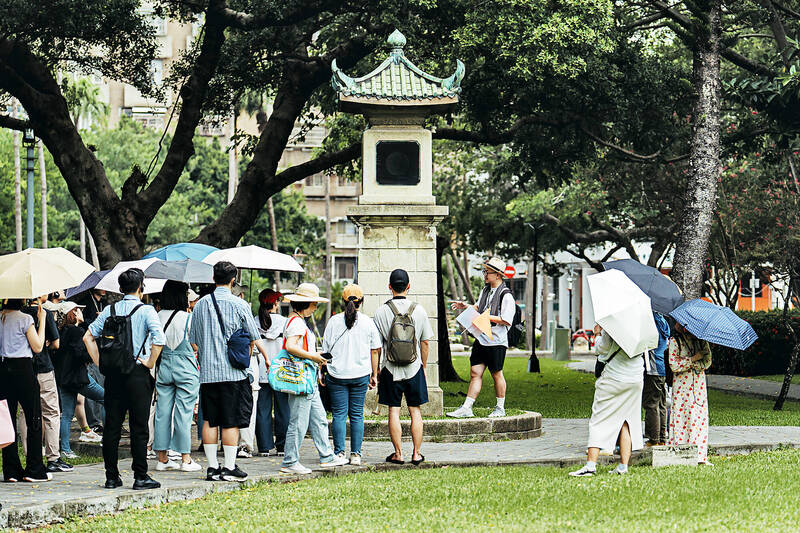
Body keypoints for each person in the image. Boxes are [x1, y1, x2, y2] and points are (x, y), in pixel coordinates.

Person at [84, 268, 166, 490]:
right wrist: (149, 362)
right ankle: (140, 476)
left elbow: (88, 336)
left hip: (113, 376)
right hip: (138, 375)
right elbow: (159, 339)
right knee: (139, 426)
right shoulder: (146, 310)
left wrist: (101, 363)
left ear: (120, 289)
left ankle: (112, 477)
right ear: (141, 287)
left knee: (111, 426)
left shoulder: (109, 310)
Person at [188, 261, 270, 483]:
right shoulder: (240, 305)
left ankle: (212, 467)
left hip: (207, 374)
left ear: (213, 279)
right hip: (233, 373)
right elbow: (254, 336)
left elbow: (193, 342)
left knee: (210, 421)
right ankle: (230, 466)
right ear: (233, 280)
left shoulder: (201, 305)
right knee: (231, 421)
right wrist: (266, 357)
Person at [280, 283, 348, 475]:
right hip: (302, 379)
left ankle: (326, 455)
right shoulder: (296, 323)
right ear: (306, 304)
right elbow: (291, 347)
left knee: (319, 419)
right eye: (314, 304)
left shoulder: (297, 320)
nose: (316, 307)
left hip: (308, 379)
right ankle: (290, 460)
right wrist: (313, 356)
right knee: (298, 422)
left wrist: (314, 355)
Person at [373, 269, 433, 466]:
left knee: (394, 410)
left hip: (390, 368)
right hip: (414, 367)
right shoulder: (420, 310)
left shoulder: (380, 312)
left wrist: (376, 371)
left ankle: (398, 453)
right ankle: (417, 453)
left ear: (389, 287)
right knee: (415, 411)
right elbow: (425, 343)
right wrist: (423, 365)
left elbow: (377, 346)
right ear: (408, 286)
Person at [570, 325, 644, 477]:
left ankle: (590, 465)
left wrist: (597, 333)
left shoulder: (614, 324)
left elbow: (601, 348)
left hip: (614, 377)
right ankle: (623, 466)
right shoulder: (642, 326)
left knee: (599, 419)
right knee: (626, 421)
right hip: (635, 377)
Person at [448, 257, 515, 419]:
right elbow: (480, 307)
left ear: (498, 275)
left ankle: (500, 408)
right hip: (482, 339)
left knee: (496, 373)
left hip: (496, 342)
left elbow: (506, 320)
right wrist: (466, 306)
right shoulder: (486, 290)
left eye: (488, 272)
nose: (484, 275)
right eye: (484, 271)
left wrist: (486, 317)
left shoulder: (506, 295)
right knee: (475, 372)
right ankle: (467, 407)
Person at [322, 285, 381, 465]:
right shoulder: (368, 322)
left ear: (343, 301)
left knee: (339, 414)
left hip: (337, 374)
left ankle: (339, 453)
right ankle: (356, 454)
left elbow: (325, 351)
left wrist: (323, 372)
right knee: (357, 415)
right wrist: (374, 374)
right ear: (361, 302)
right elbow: (375, 351)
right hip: (360, 374)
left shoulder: (333, 321)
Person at [152, 281, 202, 472]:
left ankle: (162, 459)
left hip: (164, 367)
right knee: (184, 413)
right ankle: (186, 459)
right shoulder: (188, 318)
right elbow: (196, 346)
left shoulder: (157, 316)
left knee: (163, 412)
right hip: (186, 369)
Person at [18, 294, 70, 474]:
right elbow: (56, 343)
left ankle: (30, 455)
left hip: (24, 369)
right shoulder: (44, 313)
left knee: (25, 412)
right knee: (51, 412)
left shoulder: (19, 313)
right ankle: (53, 456)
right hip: (44, 368)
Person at [0, 298, 50, 482]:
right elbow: (37, 347)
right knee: (34, 418)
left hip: (4, 369)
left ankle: (11, 470)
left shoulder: (1, 317)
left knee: (7, 419)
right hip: (23, 368)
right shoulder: (24, 318)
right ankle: (34, 469)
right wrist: (42, 319)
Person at [53, 302, 105, 461]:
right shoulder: (77, 331)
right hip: (79, 377)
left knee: (67, 415)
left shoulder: (63, 330)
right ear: (73, 313)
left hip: (65, 378)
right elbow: (79, 352)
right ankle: (110, 437)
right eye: (78, 310)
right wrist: (89, 357)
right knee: (108, 398)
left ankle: (65, 449)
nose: (81, 312)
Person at [668, 324, 712, 464]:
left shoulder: (702, 341)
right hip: (682, 387)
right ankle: (680, 453)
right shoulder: (676, 341)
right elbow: (674, 365)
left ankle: (700, 455)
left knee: (699, 417)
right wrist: (693, 359)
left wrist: (691, 364)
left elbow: (707, 361)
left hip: (698, 385)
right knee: (682, 417)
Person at [254, 289, 289, 457]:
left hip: (260, 371)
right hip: (281, 372)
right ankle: (282, 446)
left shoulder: (254, 321)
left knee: (262, 410)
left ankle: (264, 447)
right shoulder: (284, 322)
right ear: (275, 304)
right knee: (283, 410)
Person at [643, 312, 671, 446]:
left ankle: (653, 439)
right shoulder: (662, 321)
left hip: (652, 369)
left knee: (651, 404)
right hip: (662, 368)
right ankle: (662, 438)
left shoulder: (651, 322)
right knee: (661, 404)